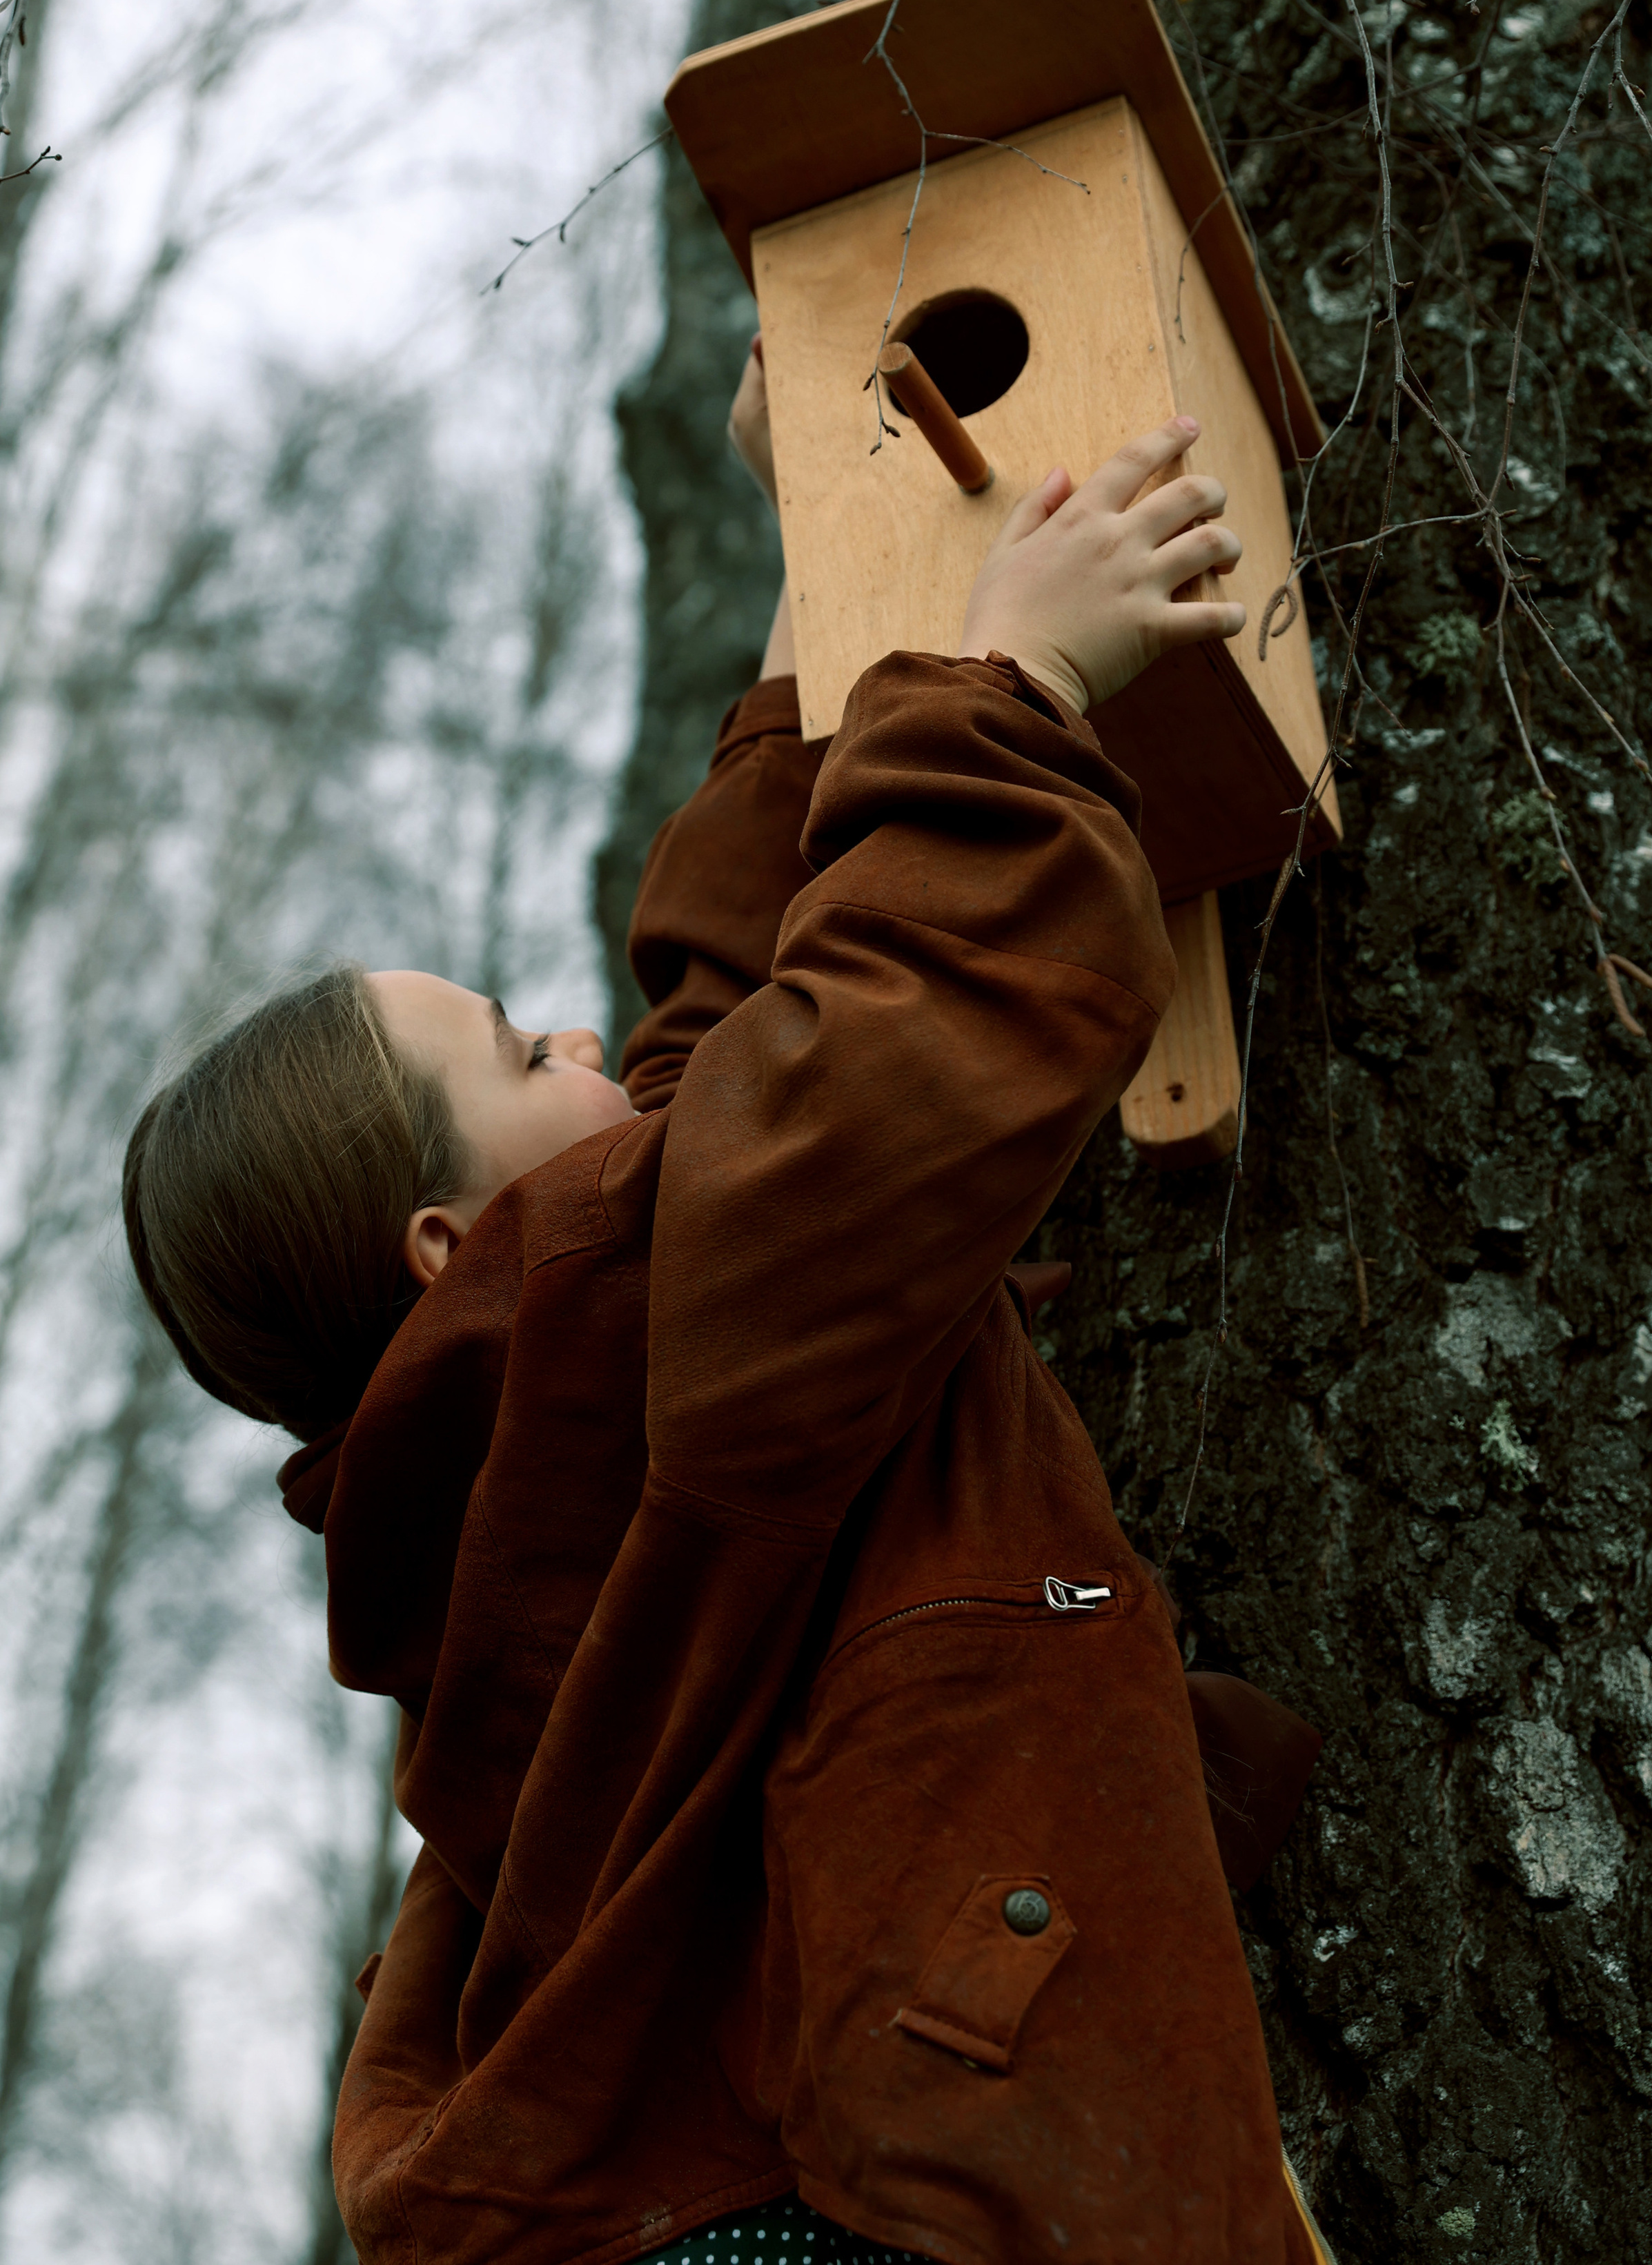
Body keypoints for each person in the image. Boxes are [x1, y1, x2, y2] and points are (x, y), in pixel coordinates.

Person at [124, 347, 1330, 2265]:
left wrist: (811, 571)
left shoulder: (532, 1438)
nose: (577, 1032)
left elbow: (715, 1030)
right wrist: (1018, 682)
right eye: (519, 1050)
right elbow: (909, 1028)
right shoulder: (650, 1313)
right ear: (450, 1244)